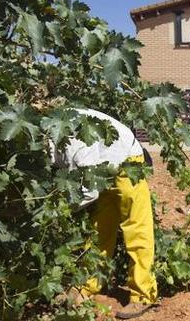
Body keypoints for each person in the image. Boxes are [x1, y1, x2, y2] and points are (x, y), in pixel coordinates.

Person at [51, 108, 157, 319]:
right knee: (100, 228)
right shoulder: (51, 131)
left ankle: (143, 295)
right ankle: (89, 285)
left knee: (137, 229)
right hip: (104, 165)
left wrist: (61, 214)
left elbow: (89, 192)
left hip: (127, 161)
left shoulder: (75, 143)